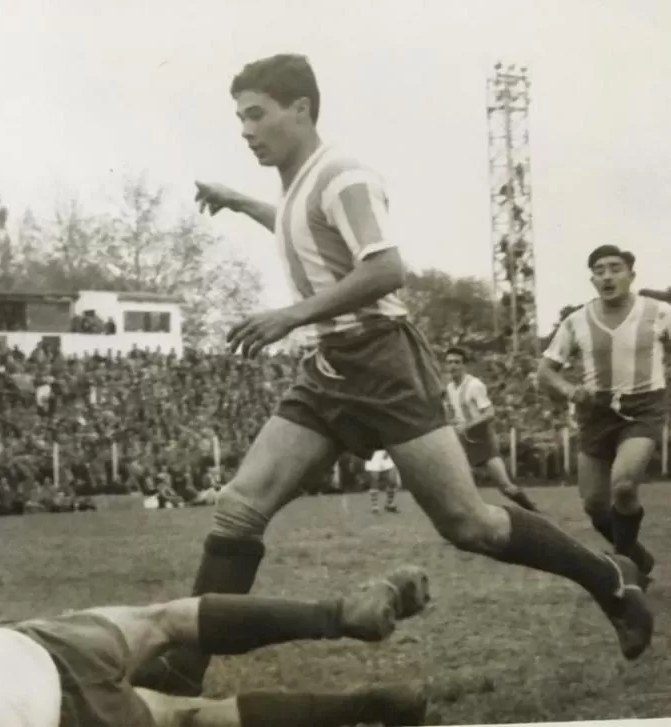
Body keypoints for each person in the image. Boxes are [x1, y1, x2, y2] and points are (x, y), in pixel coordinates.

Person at [131, 53, 652, 697]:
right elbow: (300, 234)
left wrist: (291, 314)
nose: (245, 129)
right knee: (239, 509)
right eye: (239, 116)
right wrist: (241, 203)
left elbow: (386, 270)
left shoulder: (344, 176)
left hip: (381, 359)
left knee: (469, 524)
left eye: (257, 113)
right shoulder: (300, 186)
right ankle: (185, 664)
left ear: (302, 109)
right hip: (329, 367)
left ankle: (609, 579)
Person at [0, 494, 434, 727]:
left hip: (64, 707)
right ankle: (347, 629)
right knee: (165, 617)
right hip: (31, 640)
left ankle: (366, 695)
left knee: (187, 716)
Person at [537, 245, 667, 589]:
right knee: (595, 505)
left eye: (615, 268)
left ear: (631, 275)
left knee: (624, 485)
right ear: (592, 279)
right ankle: (637, 558)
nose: (607, 276)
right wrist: (570, 391)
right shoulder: (577, 320)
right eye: (599, 270)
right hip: (595, 413)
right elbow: (546, 371)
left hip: (643, 407)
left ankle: (624, 572)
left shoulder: (659, 312)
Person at [443, 347, 539, 512]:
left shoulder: (474, 385)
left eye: (457, 362)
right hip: (464, 441)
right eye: (450, 362)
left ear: (464, 365)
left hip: (482, 440)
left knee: (505, 486)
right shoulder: (450, 388)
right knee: (456, 482)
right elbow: (455, 414)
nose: (453, 366)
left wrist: (467, 425)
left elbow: (490, 413)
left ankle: (534, 512)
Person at [365, 450, 400, 514]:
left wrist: (388, 451)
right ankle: (374, 505)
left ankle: (389, 504)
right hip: (374, 455)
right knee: (374, 479)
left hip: (387, 454)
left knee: (392, 479)